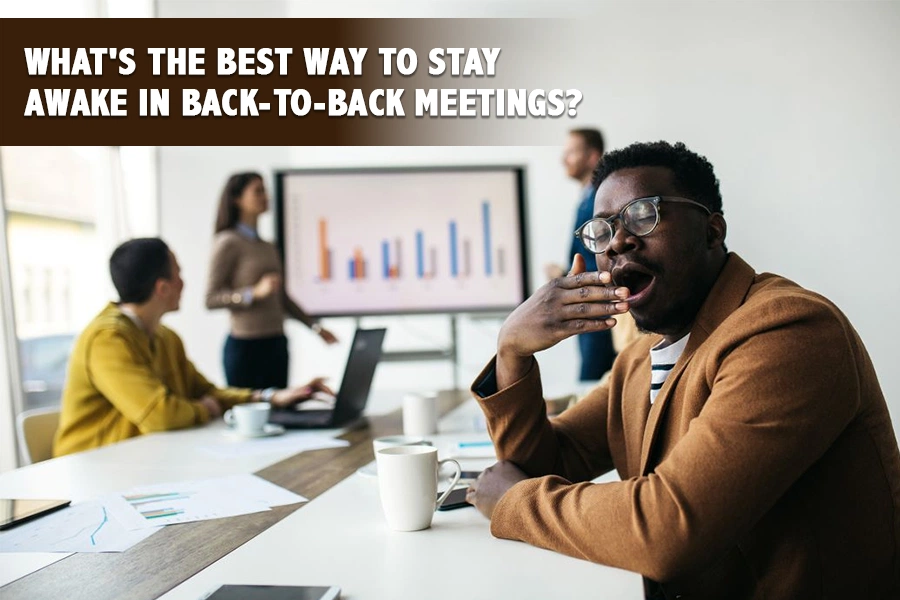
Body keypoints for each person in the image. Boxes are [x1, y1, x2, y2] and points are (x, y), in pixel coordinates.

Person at [466, 141, 900, 598]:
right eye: (602, 229)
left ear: (712, 232)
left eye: (642, 214)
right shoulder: (641, 357)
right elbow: (540, 465)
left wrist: (514, 505)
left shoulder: (789, 331)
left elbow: (668, 527)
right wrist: (512, 350)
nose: (618, 241)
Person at [53, 238, 332, 457]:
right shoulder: (107, 339)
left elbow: (206, 393)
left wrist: (270, 397)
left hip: (140, 461)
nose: (184, 283)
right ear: (162, 288)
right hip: (93, 469)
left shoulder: (165, 338)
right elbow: (160, 415)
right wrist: (204, 409)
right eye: (179, 274)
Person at [207, 172, 338, 390]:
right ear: (237, 199)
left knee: (281, 415)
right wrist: (253, 293)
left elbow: (282, 299)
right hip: (246, 347)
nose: (265, 196)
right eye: (257, 191)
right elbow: (211, 298)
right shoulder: (227, 242)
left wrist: (315, 327)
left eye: (265, 190)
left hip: (276, 344)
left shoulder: (268, 246)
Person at [544, 128, 617, 381]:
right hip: (591, 308)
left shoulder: (600, 199)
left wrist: (562, 275)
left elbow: (599, 259)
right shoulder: (587, 196)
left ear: (592, 156)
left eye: (571, 153)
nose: (564, 160)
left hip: (599, 309)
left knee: (592, 383)